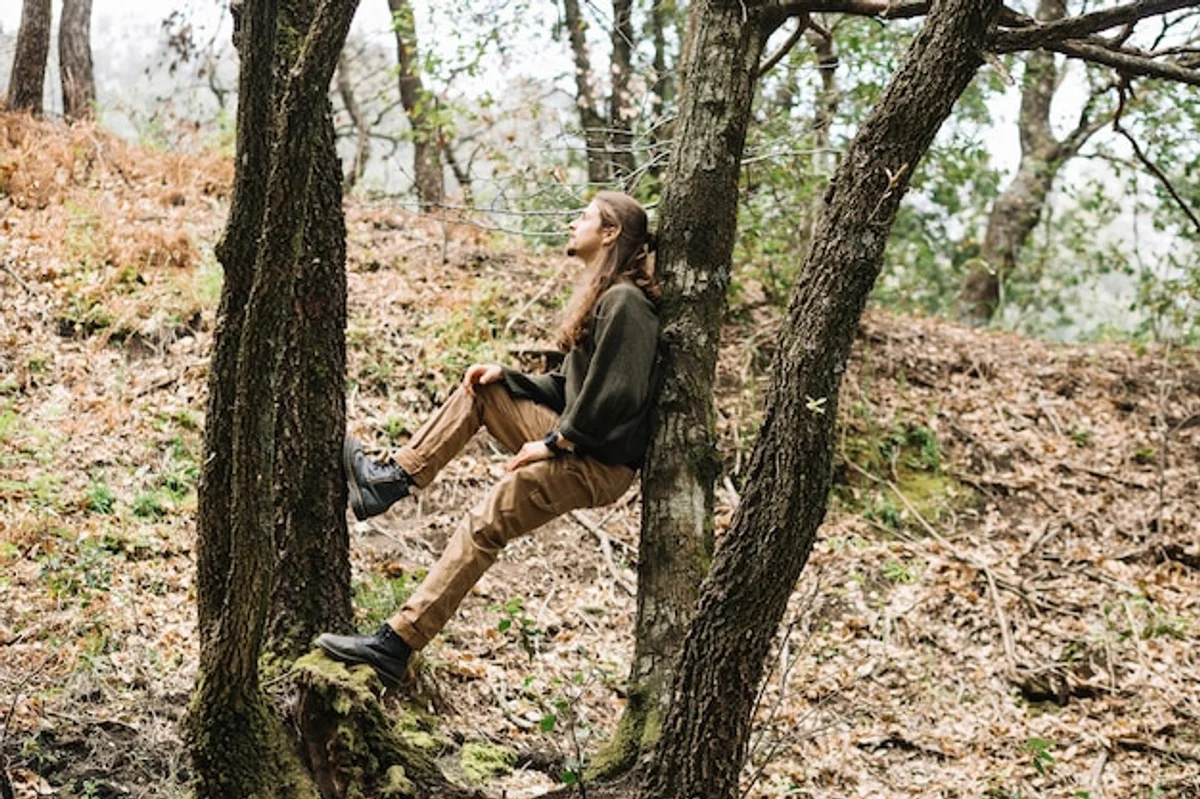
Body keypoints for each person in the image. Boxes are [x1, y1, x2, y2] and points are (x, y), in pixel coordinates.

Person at [315, 191, 662, 687]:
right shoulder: (607, 296)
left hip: (597, 461)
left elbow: (618, 396)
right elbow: (569, 387)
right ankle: (390, 481)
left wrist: (555, 443)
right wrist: (508, 377)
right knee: (483, 388)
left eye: (583, 217)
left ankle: (396, 644)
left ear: (610, 234)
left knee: (486, 522)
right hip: (581, 442)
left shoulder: (626, 302)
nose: (571, 223)